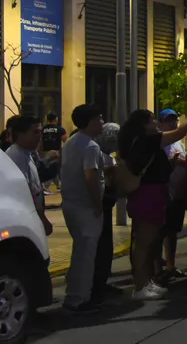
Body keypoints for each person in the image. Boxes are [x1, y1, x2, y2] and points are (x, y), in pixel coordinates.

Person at [118, 102, 187, 301]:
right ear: (144, 124)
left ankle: (146, 281)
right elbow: (179, 132)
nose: (155, 122)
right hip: (149, 194)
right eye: (152, 120)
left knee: (147, 241)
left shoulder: (134, 140)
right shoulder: (148, 139)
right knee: (145, 243)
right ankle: (140, 286)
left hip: (145, 193)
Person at [59, 104, 108, 313]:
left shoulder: (71, 141)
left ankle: (74, 294)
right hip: (85, 207)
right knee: (86, 255)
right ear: (89, 121)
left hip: (70, 204)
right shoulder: (90, 146)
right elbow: (91, 177)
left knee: (79, 251)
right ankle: (79, 299)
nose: (102, 122)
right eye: (99, 118)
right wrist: (97, 205)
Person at [5, 116, 53, 236]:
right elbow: (25, 193)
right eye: (35, 132)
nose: (40, 137)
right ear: (20, 134)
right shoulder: (15, 157)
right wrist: (42, 218)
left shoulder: (27, 153)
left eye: (40, 132)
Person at [158, 109, 187, 284]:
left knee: (172, 232)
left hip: (178, 192)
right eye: (169, 121)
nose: (173, 123)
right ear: (160, 123)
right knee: (161, 231)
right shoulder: (160, 142)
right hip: (164, 193)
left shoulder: (178, 142)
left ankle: (170, 266)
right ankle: (157, 269)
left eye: (175, 120)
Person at [92, 122, 123, 301]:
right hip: (100, 206)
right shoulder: (99, 155)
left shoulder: (106, 156)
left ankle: (101, 282)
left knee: (104, 245)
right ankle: (97, 285)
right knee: (101, 246)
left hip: (104, 205)